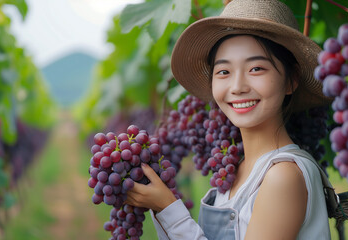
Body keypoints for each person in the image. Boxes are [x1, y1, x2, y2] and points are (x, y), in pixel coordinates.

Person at [125, 0, 333, 239]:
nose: (237, 87)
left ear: (291, 80)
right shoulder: (235, 171)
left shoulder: (283, 177)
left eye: (256, 68)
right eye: (223, 72)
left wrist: (168, 209)